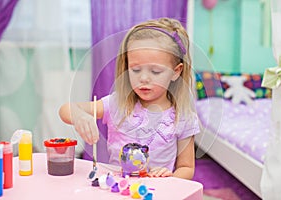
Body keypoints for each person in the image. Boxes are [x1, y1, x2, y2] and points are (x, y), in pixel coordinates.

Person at [59, 17, 200, 180]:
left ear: (176, 71)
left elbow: (186, 167)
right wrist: (79, 115)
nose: (144, 78)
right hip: (119, 189)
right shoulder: (116, 104)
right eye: (136, 69)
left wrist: (170, 178)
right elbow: (65, 110)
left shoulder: (183, 117)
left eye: (155, 71)